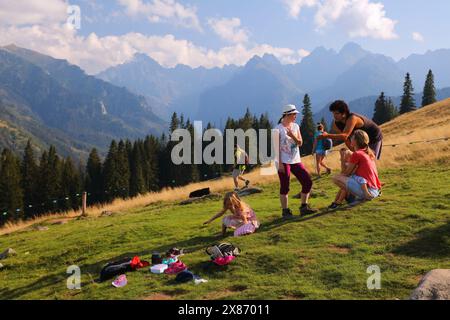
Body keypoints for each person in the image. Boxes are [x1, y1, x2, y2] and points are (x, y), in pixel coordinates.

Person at [275, 104, 318, 219]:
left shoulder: (296, 126)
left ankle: (304, 207)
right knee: (285, 185)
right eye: (294, 114)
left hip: (295, 160)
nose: (295, 116)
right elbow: (276, 148)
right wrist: (279, 164)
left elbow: (300, 143)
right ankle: (285, 212)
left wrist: (292, 135)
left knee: (307, 182)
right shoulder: (277, 129)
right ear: (287, 114)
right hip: (283, 161)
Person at [328, 130, 382, 209]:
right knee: (345, 178)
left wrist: (342, 158)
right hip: (375, 190)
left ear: (356, 141)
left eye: (352, 138)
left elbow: (346, 173)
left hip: (369, 191)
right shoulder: (368, 153)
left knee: (335, 178)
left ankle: (358, 197)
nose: (350, 140)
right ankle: (340, 201)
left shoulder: (357, 154)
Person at [318, 100, 383, 160]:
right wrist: (354, 151)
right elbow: (346, 139)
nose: (334, 116)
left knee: (370, 160)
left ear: (344, 113)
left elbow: (344, 135)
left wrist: (327, 135)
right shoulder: (337, 123)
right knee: (361, 159)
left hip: (374, 137)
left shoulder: (352, 118)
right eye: (333, 113)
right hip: (361, 139)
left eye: (337, 113)